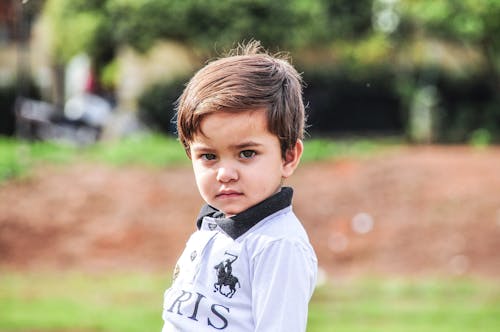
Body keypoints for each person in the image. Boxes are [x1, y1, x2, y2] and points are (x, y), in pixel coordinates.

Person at [162, 40, 318, 332]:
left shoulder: (277, 245)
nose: (225, 173)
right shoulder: (212, 224)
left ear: (288, 157)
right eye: (208, 156)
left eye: (246, 154)